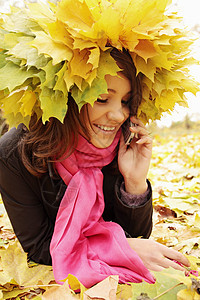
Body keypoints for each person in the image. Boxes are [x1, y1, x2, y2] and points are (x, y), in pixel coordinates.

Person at [0, 48, 190, 287]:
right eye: (102, 98)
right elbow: (38, 247)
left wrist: (134, 184)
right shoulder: (14, 153)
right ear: (66, 96)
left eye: (125, 101)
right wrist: (120, 248)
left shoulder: (120, 145)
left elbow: (139, 236)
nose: (118, 115)